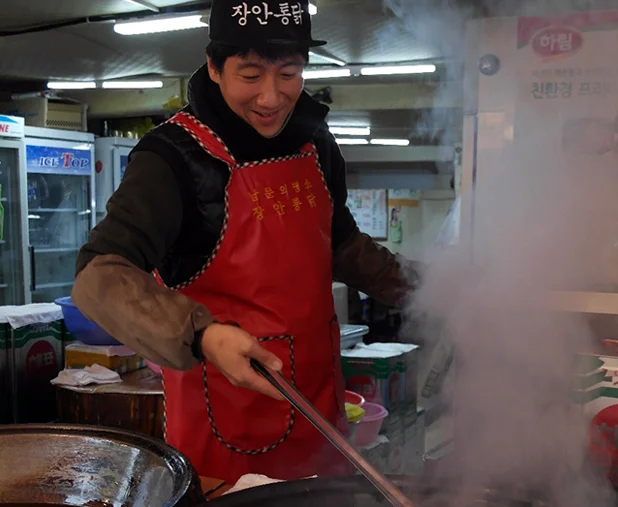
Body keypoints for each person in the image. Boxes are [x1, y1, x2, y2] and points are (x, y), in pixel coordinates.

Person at [72, 0, 417, 484]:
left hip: (320, 416)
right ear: (214, 66)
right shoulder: (174, 157)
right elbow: (98, 276)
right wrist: (201, 334)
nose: (272, 97)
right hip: (224, 433)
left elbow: (340, 245)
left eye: (290, 73)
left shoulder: (315, 143)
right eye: (251, 75)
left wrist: (437, 292)